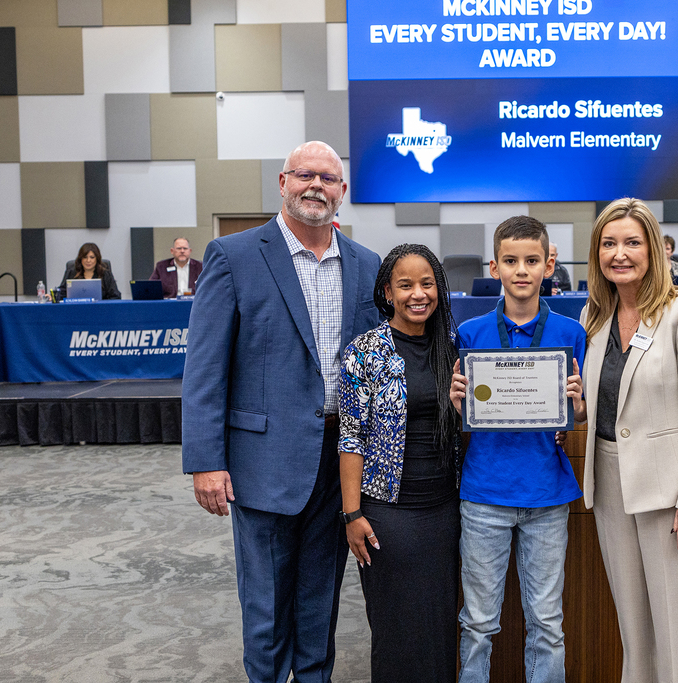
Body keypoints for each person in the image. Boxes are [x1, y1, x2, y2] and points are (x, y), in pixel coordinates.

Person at [181, 141, 381, 683]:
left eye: (328, 178)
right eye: (304, 174)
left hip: (340, 462)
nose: (316, 185)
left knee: (320, 601)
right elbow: (205, 367)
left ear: (342, 192)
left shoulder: (366, 265)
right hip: (262, 461)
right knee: (267, 607)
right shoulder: (234, 255)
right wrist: (205, 461)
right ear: (283, 182)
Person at [579, 198, 678, 683]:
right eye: (609, 243)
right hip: (610, 486)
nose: (619, 254)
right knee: (634, 633)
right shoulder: (593, 315)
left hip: (671, 495)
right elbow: (604, 402)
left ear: (655, 250)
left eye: (632, 243)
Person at [449, 216, 587, 683]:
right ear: (495, 267)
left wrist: (578, 406)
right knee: (477, 623)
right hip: (484, 495)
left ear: (549, 266)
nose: (521, 270)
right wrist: (457, 403)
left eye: (532, 260)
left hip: (547, 496)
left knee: (547, 624)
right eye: (510, 261)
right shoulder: (470, 334)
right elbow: (461, 417)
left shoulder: (571, 333)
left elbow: (580, 415)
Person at [339, 244, 462, 683]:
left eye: (427, 284)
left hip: (445, 509)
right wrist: (352, 514)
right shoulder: (364, 352)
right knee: (396, 628)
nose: (418, 294)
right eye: (405, 285)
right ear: (388, 292)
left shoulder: (453, 347)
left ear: (439, 289)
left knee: (440, 625)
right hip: (388, 513)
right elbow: (351, 436)